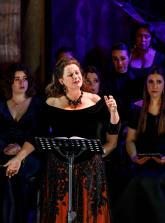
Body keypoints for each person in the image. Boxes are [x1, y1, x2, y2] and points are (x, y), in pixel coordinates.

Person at [4, 57, 120, 223]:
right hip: (59, 167)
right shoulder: (52, 103)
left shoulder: (96, 101)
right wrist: (18, 158)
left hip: (89, 166)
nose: (75, 76)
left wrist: (114, 113)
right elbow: (37, 136)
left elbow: (113, 132)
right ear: (61, 80)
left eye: (77, 72)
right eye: (70, 74)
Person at [115, 67, 165, 223]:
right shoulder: (136, 108)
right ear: (146, 85)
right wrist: (134, 156)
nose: (154, 86)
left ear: (164, 85)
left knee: (156, 181)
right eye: (151, 82)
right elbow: (130, 140)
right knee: (134, 181)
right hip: (142, 161)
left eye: (158, 82)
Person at [0, 63, 43, 223]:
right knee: (6, 171)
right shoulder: (1, 105)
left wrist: (19, 150)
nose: (21, 82)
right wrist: (5, 147)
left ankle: (19, 218)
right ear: (10, 82)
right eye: (17, 79)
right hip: (4, 152)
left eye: (24, 79)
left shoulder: (38, 104)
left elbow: (38, 134)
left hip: (30, 154)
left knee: (15, 173)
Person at [129, 23, 165, 94]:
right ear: (135, 37)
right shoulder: (128, 55)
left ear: (151, 38)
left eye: (146, 36)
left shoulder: (160, 58)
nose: (143, 40)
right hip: (130, 96)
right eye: (139, 36)